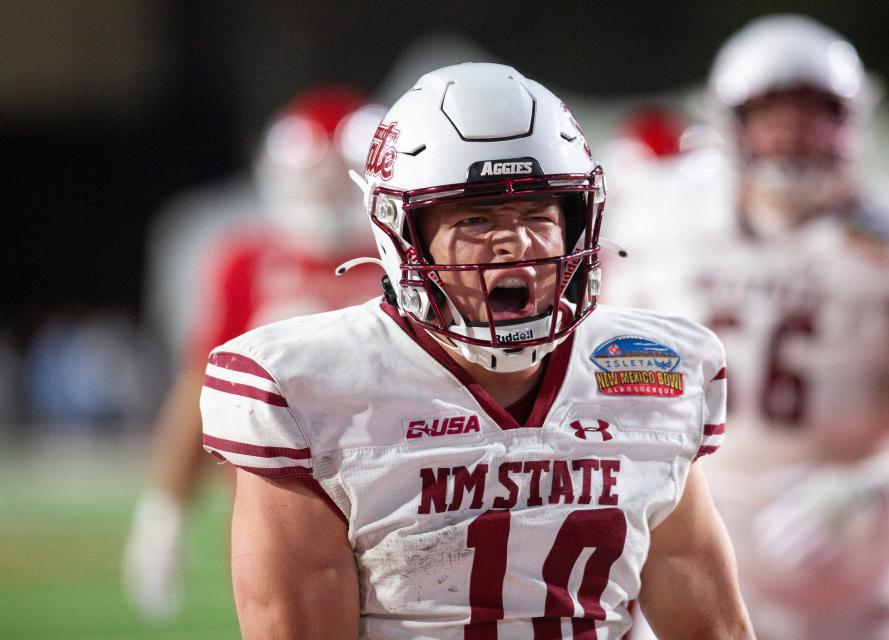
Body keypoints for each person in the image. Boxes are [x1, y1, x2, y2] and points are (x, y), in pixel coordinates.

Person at [198, 62, 755, 639]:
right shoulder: (308, 387)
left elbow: (710, 627)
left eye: (539, 213)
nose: (515, 240)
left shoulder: (652, 368)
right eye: (475, 217)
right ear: (401, 234)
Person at [610, 15, 889, 640]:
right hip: (693, 553)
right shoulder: (666, 222)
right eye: (775, 115)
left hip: (855, 580)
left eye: (817, 114)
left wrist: (876, 487)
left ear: (854, 120)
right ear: (731, 121)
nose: (796, 136)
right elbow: (602, 375)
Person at [123, 86, 385, 621]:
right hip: (274, 509)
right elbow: (201, 384)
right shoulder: (248, 262)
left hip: (394, 500)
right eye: (316, 180)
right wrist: (164, 510)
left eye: (341, 181)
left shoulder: (406, 259)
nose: (327, 197)